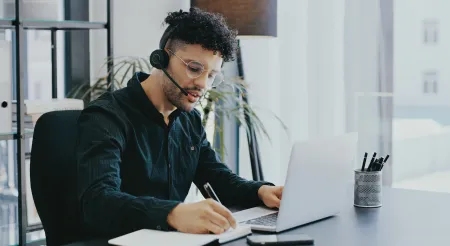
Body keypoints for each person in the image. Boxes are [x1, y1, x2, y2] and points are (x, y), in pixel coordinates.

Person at [75, 7, 283, 238]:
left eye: (212, 75)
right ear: (162, 58)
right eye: (195, 68)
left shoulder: (189, 119)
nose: (203, 84)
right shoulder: (106, 117)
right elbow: (98, 201)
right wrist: (172, 213)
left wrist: (263, 191)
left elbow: (217, 179)